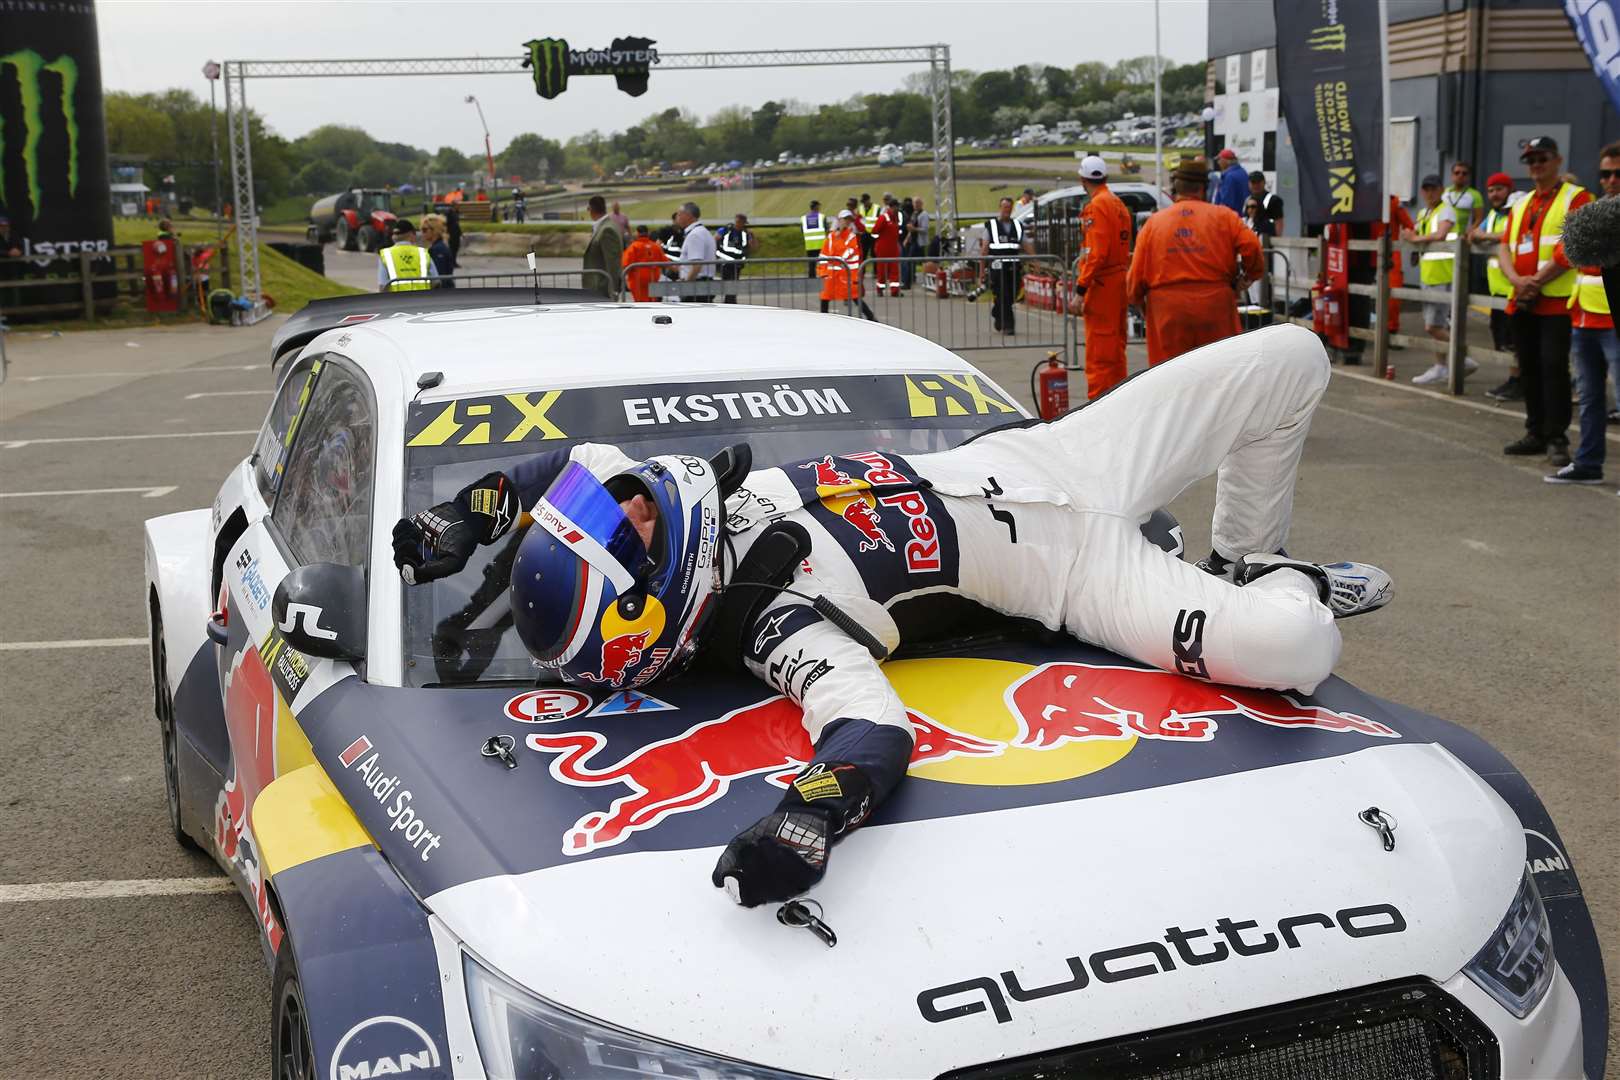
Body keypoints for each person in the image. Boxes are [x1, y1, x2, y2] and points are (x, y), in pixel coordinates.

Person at [391, 324, 1392, 908]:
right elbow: (871, 730)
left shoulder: (641, 511)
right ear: (646, 606)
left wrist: (457, 519)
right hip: (1082, 573)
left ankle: (1250, 558)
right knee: (1291, 643)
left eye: (625, 504)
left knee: (1294, 356)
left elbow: (556, 470)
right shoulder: (782, 632)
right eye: (632, 527)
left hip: (1059, 453)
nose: (638, 498)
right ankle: (1285, 586)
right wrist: (809, 820)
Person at [1498, 136, 1592, 466]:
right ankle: (1535, 431)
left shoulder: (1576, 198)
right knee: (1529, 369)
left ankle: (1556, 437)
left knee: (1553, 368)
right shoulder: (1522, 203)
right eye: (1531, 160)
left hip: (1557, 301)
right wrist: (1516, 280)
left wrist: (1537, 280)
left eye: (1543, 158)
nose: (1536, 165)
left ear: (1557, 160)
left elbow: (1572, 245)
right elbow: (1504, 245)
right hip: (1522, 300)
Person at [1127, 159, 1263, 365]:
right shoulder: (1224, 217)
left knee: (1170, 375)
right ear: (1203, 188)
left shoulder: (1154, 223)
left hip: (1167, 309)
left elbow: (1135, 276)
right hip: (1214, 305)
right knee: (1219, 373)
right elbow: (1252, 246)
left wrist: (1138, 301)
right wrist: (1248, 277)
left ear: (1176, 188)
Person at [1546, 141, 1620, 483]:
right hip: (1584, 318)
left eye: (1618, 173)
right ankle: (1588, 464)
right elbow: (1565, 254)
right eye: (1605, 174)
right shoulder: (1592, 214)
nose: (1611, 180)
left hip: (1612, 327)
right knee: (1590, 399)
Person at [1403, 174, 1481, 384]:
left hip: (1443, 273)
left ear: (1441, 189)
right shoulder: (1424, 212)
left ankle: (1462, 360)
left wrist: (1414, 238)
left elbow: (1440, 235)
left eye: (1434, 188)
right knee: (1436, 324)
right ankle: (1440, 366)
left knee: (1433, 325)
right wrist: (1412, 238)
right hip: (1429, 274)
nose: (1430, 193)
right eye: (1426, 189)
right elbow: (1417, 235)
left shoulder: (1446, 209)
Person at [1074, 155, 1131, 400]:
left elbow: (1095, 253)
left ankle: (1099, 400)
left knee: (1100, 350)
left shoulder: (1096, 207)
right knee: (1117, 346)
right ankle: (1119, 397)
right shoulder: (1118, 203)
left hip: (1102, 284)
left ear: (1083, 179)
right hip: (1118, 280)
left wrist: (1080, 288)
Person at [1472, 172, 1519, 398]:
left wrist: (1486, 236)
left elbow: (1514, 234)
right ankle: (1514, 379)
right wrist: (1478, 235)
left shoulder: (1515, 212)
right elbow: (1475, 233)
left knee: (1514, 339)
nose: (1494, 194)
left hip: (1513, 286)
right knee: (1501, 337)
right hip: (1497, 289)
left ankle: (1519, 382)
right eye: (1491, 190)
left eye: (1499, 189)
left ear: (1509, 190)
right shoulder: (1492, 215)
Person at [818, 209, 876, 320]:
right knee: (825, 297)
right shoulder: (830, 237)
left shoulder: (851, 237)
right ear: (839, 220)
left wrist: (854, 276)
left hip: (845, 275)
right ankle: (823, 320)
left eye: (849, 220)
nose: (847, 222)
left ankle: (872, 318)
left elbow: (850, 254)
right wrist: (822, 271)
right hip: (831, 275)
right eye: (845, 219)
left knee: (855, 297)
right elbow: (824, 255)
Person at [984, 196, 1030, 334]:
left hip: (1013, 268)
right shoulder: (991, 226)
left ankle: (997, 313)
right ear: (1000, 208)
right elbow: (984, 249)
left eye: (1009, 208)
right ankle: (1008, 326)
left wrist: (1035, 260)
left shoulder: (1017, 226)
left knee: (1011, 296)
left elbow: (1026, 244)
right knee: (1003, 294)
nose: (1007, 210)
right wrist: (982, 270)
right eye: (1004, 207)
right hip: (997, 267)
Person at [580, 194, 624, 298]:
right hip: (599, 287)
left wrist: (613, 290)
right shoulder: (606, 226)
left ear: (590, 209)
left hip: (602, 289)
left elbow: (613, 262)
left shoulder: (607, 230)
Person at [377, 219, 438, 291]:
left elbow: (382, 285)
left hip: (397, 300)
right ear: (411, 234)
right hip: (422, 299)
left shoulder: (386, 255)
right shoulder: (423, 253)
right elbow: (436, 281)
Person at [676, 202, 717, 302]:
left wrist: (685, 286)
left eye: (679, 214)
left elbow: (697, 266)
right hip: (701, 285)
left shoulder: (695, 235)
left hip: (695, 287)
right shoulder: (702, 232)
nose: (677, 217)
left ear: (688, 216)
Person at [621, 224, 670, 303]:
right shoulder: (655, 246)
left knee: (641, 303)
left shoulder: (633, 247)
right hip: (653, 280)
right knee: (652, 302)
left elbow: (625, 264)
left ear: (637, 233)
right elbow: (665, 262)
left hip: (638, 281)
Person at [714, 212, 754, 304]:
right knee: (728, 283)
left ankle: (730, 300)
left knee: (733, 284)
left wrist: (752, 236)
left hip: (737, 263)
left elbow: (753, 247)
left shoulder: (745, 233)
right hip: (724, 262)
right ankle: (729, 301)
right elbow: (715, 239)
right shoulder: (725, 230)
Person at [871, 195, 902, 298]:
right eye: (896, 207)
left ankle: (895, 290)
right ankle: (880, 289)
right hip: (883, 248)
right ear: (892, 207)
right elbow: (874, 231)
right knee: (882, 270)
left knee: (894, 270)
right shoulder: (884, 217)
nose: (898, 209)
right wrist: (879, 242)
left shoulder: (896, 218)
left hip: (893, 248)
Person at [1443, 161, 1484, 231]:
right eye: (1457, 173)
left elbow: (1479, 218)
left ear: (1469, 177)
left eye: (1464, 173)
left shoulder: (1475, 194)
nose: (1460, 175)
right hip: (1442, 234)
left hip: (1461, 236)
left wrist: (1468, 232)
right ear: (1452, 176)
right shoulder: (1444, 192)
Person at [421, 214, 455, 288]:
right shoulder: (438, 246)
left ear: (434, 230)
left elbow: (439, 276)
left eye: (424, 230)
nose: (422, 233)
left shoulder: (437, 249)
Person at [1212, 149, 1249, 215]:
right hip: (1243, 215)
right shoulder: (1243, 172)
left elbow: (1227, 201)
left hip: (1231, 216)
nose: (1218, 162)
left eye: (1219, 159)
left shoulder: (1229, 176)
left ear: (1227, 161)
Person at [1248, 173, 1283, 237]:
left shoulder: (1274, 200)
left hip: (1267, 239)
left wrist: (1277, 239)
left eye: (1258, 182)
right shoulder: (1247, 200)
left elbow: (1279, 222)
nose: (1256, 185)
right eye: (1253, 183)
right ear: (1249, 184)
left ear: (1264, 183)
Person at [800, 200, 829, 278]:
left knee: (811, 264)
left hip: (810, 245)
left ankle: (811, 279)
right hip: (821, 244)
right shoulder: (822, 217)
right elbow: (827, 229)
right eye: (819, 206)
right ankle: (824, 277)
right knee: (823, 262)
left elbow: (802, 231)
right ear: (816, 207)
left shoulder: (803, 218)